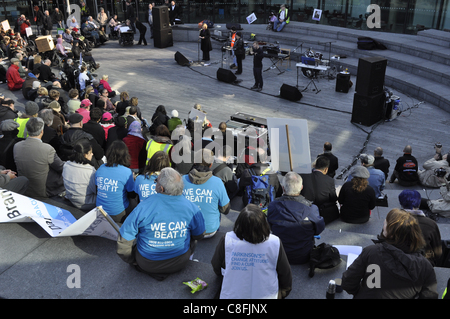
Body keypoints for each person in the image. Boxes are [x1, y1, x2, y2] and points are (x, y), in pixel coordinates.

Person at [117, 167, 206, 281]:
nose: (155, 184)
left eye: (156, 181)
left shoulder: (143, 206)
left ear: (161, 188)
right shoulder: (192, 207)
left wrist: (132, 260)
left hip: (146, 263)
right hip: (180, 262)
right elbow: (199, 234)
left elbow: (124, 240)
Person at [341, 208, 438, 299]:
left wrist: (361, 293)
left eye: (385, 224)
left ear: (391, 233)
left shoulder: (371, 252)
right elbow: (430, 295)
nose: (383, 225)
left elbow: (348, 282)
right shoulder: (425, 267)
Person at [211, 204, 292, 299]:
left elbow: (216, 265)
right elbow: (285, 273)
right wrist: (283, 293)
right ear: (263, 223)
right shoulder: (274, 242)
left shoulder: (227, 239)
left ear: (239, 223)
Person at [267, 172, 325, 264]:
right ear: (301, 187)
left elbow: (270, 226)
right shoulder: (312, 209)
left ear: (283, 188)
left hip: (280, 255)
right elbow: (318, 229)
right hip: (304, 256)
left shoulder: (273, 206)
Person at [183, 149, 230, 238]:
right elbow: (226, 210)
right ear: (211, 164)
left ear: (194, 162)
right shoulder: (217, 182)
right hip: (210, 231)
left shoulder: (182, 179)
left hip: (186, 230)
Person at [13, 117, 65, 198]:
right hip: (42, 191)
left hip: (24, 187)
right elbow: (61, 167)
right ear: (42, 131)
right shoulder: (47, 149)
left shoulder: (17, 146)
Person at [398, 190, 442, 266]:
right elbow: (438, 252)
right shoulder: (431, 224)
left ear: (401, 204)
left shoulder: (393, 221)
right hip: (424, 265)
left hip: (398, 263)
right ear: (419, 204)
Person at [95, 140, 135, 224]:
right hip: (117, 214)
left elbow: (97, 188)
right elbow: (132, 194)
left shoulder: (100, 168)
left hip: (100, 211)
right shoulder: (127, 172)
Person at [300, 156, 339, 224]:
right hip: (323, 212)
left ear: (315, 165)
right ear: (326, 169)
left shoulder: (303, 177)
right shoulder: (330, 180)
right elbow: (333, 198)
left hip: (305, 210)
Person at [62, 139, 97, 211]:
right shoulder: (90, 171)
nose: (92, 154)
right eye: (90, 152)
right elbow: (96, 191)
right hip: (87, 203)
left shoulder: (66, 164)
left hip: (71, 198)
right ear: (85, 155)